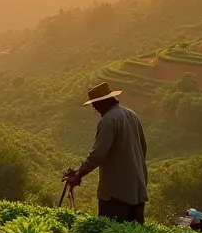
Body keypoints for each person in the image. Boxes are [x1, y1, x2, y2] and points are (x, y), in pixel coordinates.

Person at [63, 82, 148, 223]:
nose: (95, 108)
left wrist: (79, 174)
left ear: (105, 101)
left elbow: (98, 154)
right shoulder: (132, 115)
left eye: (96, 104)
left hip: (116, 192)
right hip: (137, 187)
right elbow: (143, 149)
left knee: (110, 232)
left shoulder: (108, 121)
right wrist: (79, 171)